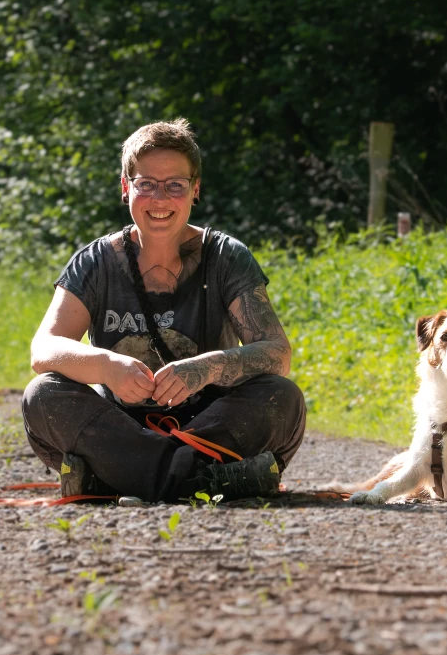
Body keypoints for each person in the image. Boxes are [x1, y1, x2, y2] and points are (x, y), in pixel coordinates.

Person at [21, 119, 306, 501]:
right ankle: (211, 480)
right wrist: (107, 367)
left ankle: (119, 480)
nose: (160, 199)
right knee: (42, 395)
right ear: (126, 187)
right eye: (146, 185)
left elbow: (276, 353)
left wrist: (205, 368)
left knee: (282, 396)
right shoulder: (95, 261)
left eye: (175, 186)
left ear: (195, 190)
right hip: (120, 430)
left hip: (211, 425)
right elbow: (44, 349)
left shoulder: (226, 256)